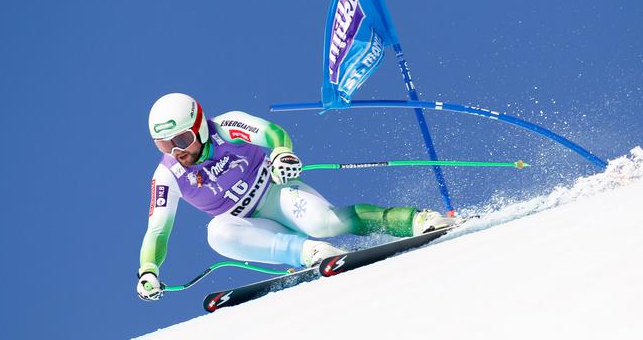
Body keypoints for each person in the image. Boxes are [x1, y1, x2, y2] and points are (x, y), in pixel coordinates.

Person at [137, 93, 457, 301]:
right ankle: (311, 253)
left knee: (324, 222)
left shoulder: (225, 126)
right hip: (246, 223)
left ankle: (417, 219)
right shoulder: (167, 176)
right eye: (165, 145)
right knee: (216, 233)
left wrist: (281, 154)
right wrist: (148, 269)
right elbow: (157, 231)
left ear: (199, 127)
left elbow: (273, 134)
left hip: (275, 192)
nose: (177, 151)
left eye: (181, 138)